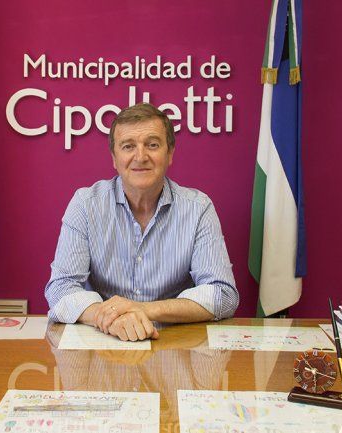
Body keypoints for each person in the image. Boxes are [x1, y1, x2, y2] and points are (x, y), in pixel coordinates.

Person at [44, 103, 239, 341]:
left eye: (152, 145)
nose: (140, 156)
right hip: (105, 340)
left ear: (170, 154)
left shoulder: (198, 208)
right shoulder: (86, 205)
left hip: (172, 344)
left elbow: (223, 294)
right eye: (128, 146)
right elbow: (61, 288)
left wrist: (143, 310)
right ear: (114, 158)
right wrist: (109, 318)